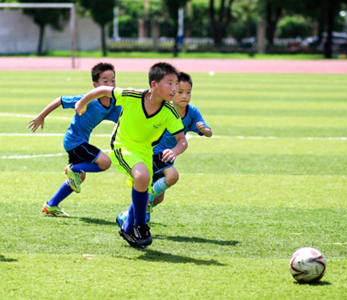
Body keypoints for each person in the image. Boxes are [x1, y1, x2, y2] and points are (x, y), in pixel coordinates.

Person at [74, 62, 188, 248]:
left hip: (145, 152)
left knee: (143, 183)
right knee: (142, 177)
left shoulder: (169, 111)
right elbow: (103, 89)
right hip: (122, 146)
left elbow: (182, 140)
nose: (175, 88)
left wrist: (174, 151)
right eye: (169, 83)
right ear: (154, 85)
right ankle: (140, 226)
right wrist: (82, 102)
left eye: (176, 83)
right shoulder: (132, 96)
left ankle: (127, 229)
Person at [28, 62, 121, 217]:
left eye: (113, 80)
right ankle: (73, 169)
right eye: (105, 81)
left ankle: (51, 205)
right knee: (105, 163)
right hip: (74, 141)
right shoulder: (88, 100)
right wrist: (41, 116)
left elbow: (125, 118)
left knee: (79, 179)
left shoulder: (113, 104)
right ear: (95, 85)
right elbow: (61, 100)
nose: (110, 84)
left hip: (79, 141)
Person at [118, 71, 212, 224]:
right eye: (180, 92)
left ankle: (127, 215)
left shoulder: (192, 111)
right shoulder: (165, 109)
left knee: (158, 197)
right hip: (153, 151)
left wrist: (204, 130)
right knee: (172, 176)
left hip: (168, 155)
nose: (184, 96)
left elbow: (208, 132)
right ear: (172, 92)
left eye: (188, 92)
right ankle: (135, 213)